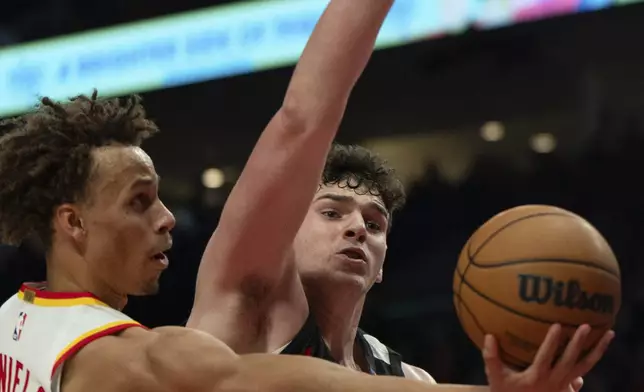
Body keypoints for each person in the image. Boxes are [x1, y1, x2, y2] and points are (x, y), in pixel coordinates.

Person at [184, 1, 614, 391]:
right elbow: (301, 119)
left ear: (383, 265)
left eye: (374, 225)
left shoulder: (408, 378)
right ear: (284, 235)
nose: (356, 229)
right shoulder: (245, 307)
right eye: (332, 213)